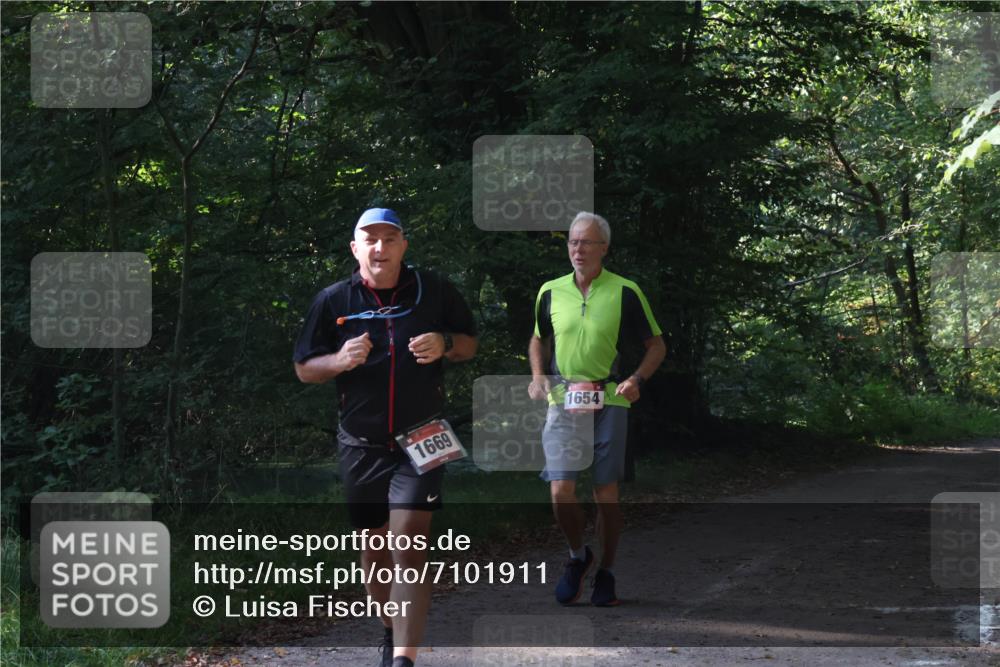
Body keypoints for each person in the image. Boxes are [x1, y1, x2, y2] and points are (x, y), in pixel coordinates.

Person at [293, 208, 477, 667]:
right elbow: (303, 369)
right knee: (375, 552)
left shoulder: (433, 290)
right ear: (355, 248)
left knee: (409, 543)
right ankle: (390, 629)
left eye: (389, 238)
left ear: (403, 245)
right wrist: (338, 361)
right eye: (369, 240)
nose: (380, 248)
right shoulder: (334, 300)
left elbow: (470, 342)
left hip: (424, 437)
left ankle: (404, 661)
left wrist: (445, 344)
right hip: (361, 443)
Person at [527, 211, 666, 607]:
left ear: (604, 248)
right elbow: (538, 339)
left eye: (586, 242)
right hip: (563, 400)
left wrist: (636, 380)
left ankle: (606, 572)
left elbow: (656, 345)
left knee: (606, 494)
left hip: (610, 399)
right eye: (572, 241)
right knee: (560, 492)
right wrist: (538, 375)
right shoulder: (550, 291)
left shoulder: (625, 291)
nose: (577, 249)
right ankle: (577, 557)